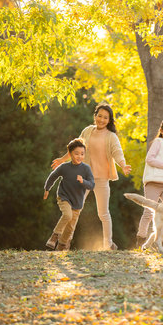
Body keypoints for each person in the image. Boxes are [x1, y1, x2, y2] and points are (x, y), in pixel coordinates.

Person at [51, 103, 132, 251]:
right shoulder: (87, 131)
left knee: (103, 213)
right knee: (75, 210)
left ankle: (108, 244)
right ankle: (65, 243)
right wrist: (63, 159)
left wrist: (123, 165)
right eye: (99, 116)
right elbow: (76, 149)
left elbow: (117, 152)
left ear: (109, 120)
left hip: (101, 179)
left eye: (105, 117)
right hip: (83, 178)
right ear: (95, 116)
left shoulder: (111, 136)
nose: (101, 119)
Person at [136, 118, 163, 248]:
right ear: (162, 131)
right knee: (149, 211)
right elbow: (149, 159)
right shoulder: (158, 142)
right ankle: (141, 237)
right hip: (153, 183)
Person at [44, 138, 95, 251]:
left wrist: (83, 181)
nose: (79, 156)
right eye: (76, 153)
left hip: (77, 202)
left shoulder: (86, 169)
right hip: (64, 197)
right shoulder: (64, 167)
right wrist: (47, 188)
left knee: (70, 228)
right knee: (67, 215)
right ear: (70, 153)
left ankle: (61, 246)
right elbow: (53, 176)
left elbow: (92, 185)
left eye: (82, 154)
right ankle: (54, 236)